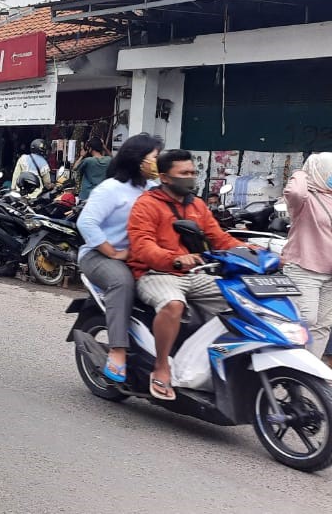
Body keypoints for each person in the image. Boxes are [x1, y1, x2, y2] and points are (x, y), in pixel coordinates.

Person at [128, 149, 248, 401]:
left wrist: (253, 251)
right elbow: (142, 245)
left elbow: (219, 239)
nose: (191, 177)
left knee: (243, 299)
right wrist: (173, 258)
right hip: (156, 273)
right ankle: (161, 367)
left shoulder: (197, 205)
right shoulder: (146, 205)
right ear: (165, 178)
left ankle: (216, 363)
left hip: (195, 273)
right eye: (184, 173)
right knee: (173, 305)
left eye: (193, 172)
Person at [76, 135, 162, 385]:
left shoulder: (152, 189)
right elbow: (86, 223)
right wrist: (113, 252)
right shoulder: (111, 188)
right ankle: (117, 350)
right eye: (155, 158)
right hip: (99, 255)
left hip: (142, 256)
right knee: (121, 282)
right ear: (138, 160)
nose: (158, 163)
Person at [281, 152, 332, 364]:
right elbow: (294, 190)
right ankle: (288, 369)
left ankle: (310, 376)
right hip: (304, 269)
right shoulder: (304, 199)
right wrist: (303, 170)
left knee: (323, 325)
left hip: (329, 273)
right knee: (305, 320)